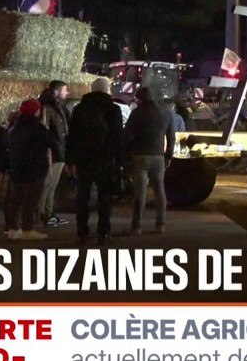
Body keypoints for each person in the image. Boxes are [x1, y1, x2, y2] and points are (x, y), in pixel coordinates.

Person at [66, 77, 125, 245]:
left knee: (82, 196)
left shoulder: (79, 109)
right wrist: (119, 160)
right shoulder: (113, 109)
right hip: (105, 159)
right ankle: (103, 232)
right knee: (104, 196)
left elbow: (72, 136)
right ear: (107, 89)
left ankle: (82, 232)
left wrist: (70, 160)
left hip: (84, 159)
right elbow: (117, 136)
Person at [124, 86, 175, 235]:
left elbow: (127, 135)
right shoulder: (166, 113)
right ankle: (160, 224)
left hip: (139, 156)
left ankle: (136, 226)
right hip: (158, 157)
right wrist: (168, 156)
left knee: (140, 192)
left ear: (140, 99)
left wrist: (127, 155)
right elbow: (171, 138)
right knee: (159, 190)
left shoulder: (137, 113)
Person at [5, 99, 58, 240]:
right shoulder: (36, 127)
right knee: (30, 201)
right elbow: (51, 141)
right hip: (34, 169)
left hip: (17, 168)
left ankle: (13, 229)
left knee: (16, 200)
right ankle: (28, 229)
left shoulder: (15, 127)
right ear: (35, 111)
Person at [36, 80, 71, 228]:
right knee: (47, 184)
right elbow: (44, 130)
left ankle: (49, 213)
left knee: (53, 185)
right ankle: (40, 214)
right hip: (52, 151)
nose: (67, 93)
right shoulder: (47, 107)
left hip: (59, 150)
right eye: (64, 90)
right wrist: (53, 145)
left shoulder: (58, 107)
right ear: (56, 92)